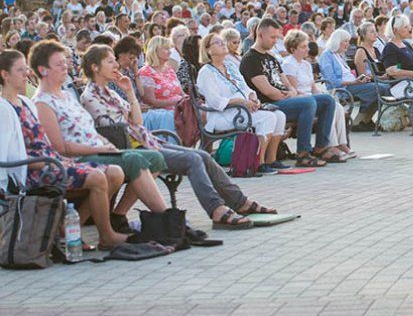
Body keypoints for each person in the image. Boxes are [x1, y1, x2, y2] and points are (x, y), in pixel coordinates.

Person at [80, 44, 274, 228]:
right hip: (129, 148)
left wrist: (130, 92)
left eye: (115, 60)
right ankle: (216, 209)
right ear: (95, 67)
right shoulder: (90, 96)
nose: (116, 65)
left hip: (143, 140)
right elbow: (116, 130)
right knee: (192, 159)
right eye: (110, 61)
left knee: (204, 156)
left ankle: (240, 202)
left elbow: (137, 122)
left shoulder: (111, 93)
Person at [29, 40, 169, 234]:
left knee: (155, 157)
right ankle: (168, 220)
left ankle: (91, 221)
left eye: (65, 62)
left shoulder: (67, 96)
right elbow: (61, 148)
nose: (66, 66)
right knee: (133, 160)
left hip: (98, 148)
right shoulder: (42, 102)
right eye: (59, 64)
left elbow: (89, 129)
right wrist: (101, 148)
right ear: (43, 70)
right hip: (77, 157)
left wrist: (106, 144)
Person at [0, 49, 129, 250]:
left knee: (115, 172)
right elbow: (6, 156)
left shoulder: (25, 102)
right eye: (20, 70)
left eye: (26, 69)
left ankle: (68, 228)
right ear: (4, 75)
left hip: (51, 160)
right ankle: (107, 235)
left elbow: (44, 140)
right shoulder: (3, 108)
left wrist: (58, 157)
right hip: (32, 170)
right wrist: (46, 161)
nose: (27, 74)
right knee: (97, 177)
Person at [240, 17, 335, 168]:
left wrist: (291, 91)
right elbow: (267, 91)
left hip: (285, 99)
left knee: (327, 100)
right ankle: (303, 153)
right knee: (308, 102)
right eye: (272, 37)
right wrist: (289, 94)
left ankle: (320, 148)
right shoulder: (250, 59)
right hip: (269, 104)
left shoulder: (271, 57)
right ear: (260, 35)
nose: (275, 41)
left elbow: (286, 82)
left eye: (277, 37)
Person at [197, 32, 287, 174]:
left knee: (280, 115)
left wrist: (252, 98)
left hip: (240, 110)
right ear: (208, 50)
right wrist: (241, 101)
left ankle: (271, 159)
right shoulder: (206, 72)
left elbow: (245, 87)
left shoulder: (230, 66)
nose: (222, 44)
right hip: (222, 115)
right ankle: (258, 163)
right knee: (268, 118)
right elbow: (215, 101)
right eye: (218, 43)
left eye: (222, 41)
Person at [282, 31, 354, 159]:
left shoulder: (306, 65)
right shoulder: (288, 64)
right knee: (327, 103)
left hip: (311, 98)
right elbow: (293, 90)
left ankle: (340, 143)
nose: (307, 49)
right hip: (300, 100)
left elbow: (313, 88)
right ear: (293, 49)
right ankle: (328, 146)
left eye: (307, 46)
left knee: (335, 105)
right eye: (303, 47)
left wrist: (323, 94)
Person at [319, 28, 388, 130]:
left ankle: (365, 120)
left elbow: (348, 74)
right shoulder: (326, 55)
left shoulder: (339, 55)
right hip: (342, 89)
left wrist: (360, 79)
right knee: (379, 88)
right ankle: (359, 121)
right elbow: (332, 82)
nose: (348, 44)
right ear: (337, 41)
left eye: (348, 41)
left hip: (352, 84)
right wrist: (354, 82)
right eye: (345, 41)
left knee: (385, 86)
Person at [138, 36, 181, 133]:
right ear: (155, 50)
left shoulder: (169, 69)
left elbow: (181, 93)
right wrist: (176, 102)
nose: (170, 52)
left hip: (178, 108)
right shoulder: (146, 72)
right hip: (161, 113)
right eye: (166, 48)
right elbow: (151, 102)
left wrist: (189, 100)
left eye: (169, 48)